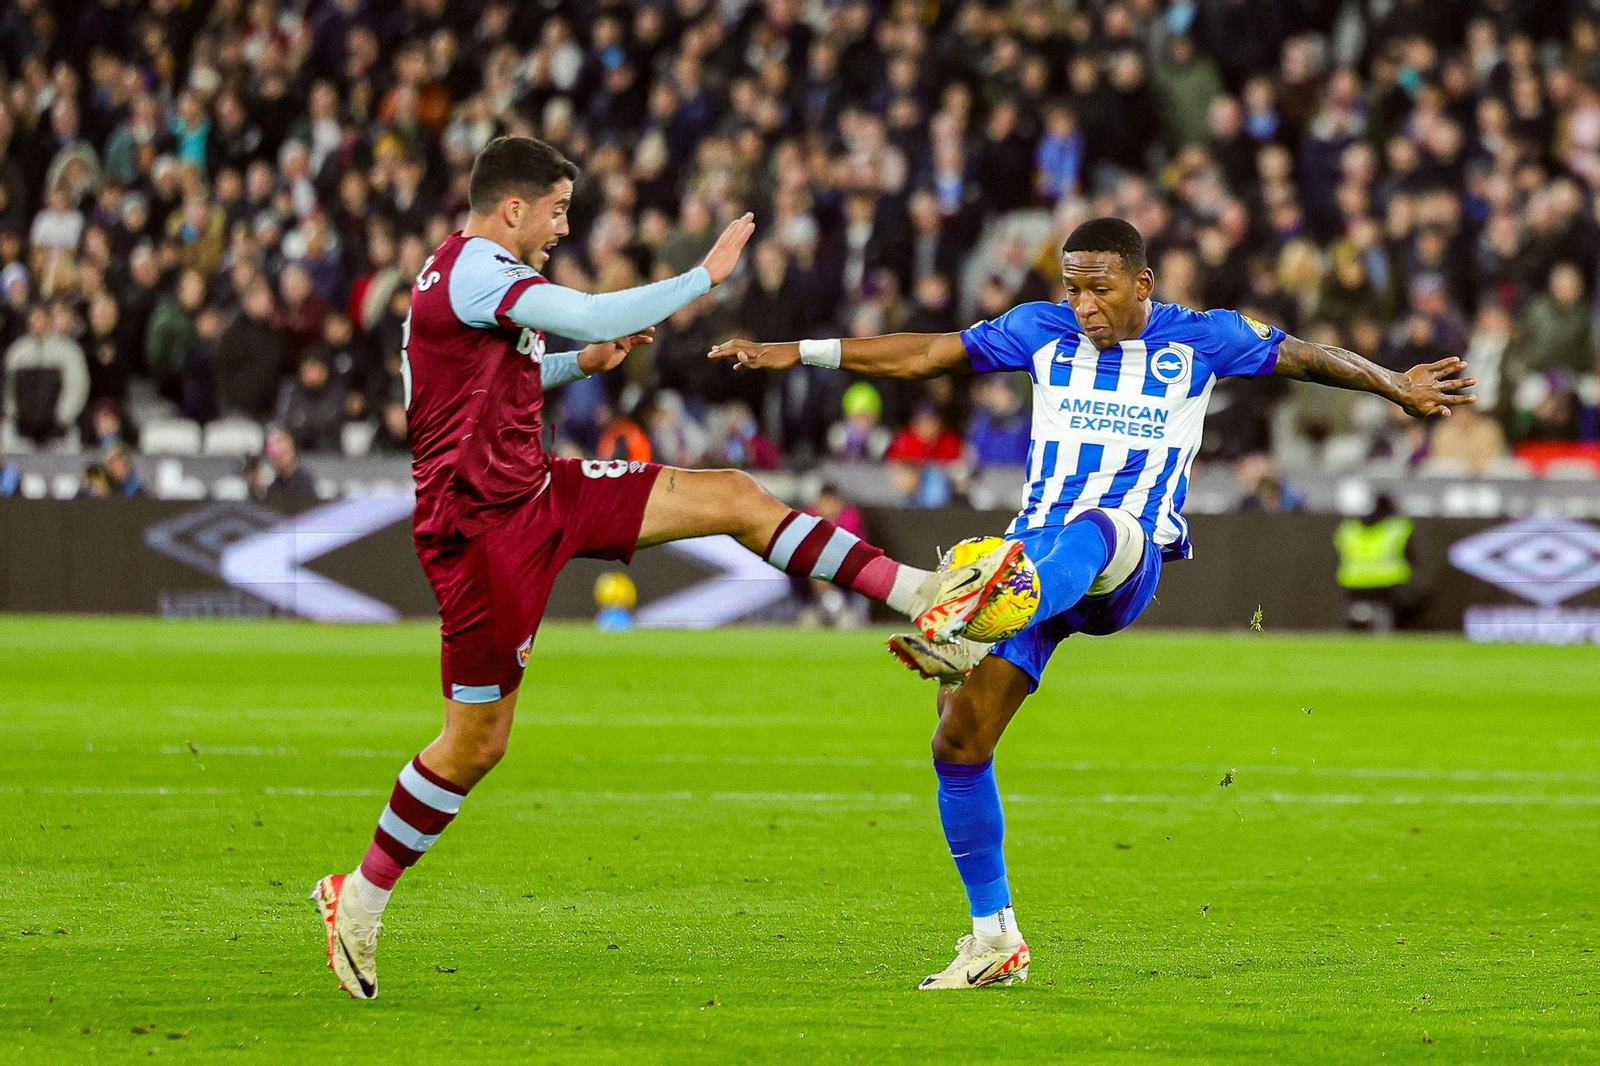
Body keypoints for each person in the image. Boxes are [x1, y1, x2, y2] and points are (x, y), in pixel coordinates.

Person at [310, 137, 1023, 1000]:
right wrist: (702, 278)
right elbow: (586, 312)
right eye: (557, 211)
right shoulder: (474, 271)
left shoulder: (455, 278)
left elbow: (495, 376)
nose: (562, 227)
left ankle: (920, 594)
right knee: (475, 745)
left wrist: (579, 367)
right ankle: (360, 897)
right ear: (513, 209)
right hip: (482, 533)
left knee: (733, 495)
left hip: (541, 490)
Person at [711, 216, 1474, 990]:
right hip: (1031, 558)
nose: (1082, 305)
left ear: (1142, 283)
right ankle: (994, 939)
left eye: (1098, 288)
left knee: (1097, 526)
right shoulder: (1039, 331)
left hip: (1122, 555)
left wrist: (1395, 383)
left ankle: (982, 613)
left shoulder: (1201, 338)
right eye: (1072, 288)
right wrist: (800, 350)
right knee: (958, 743)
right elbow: (926, 353)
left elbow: (1306, 356)